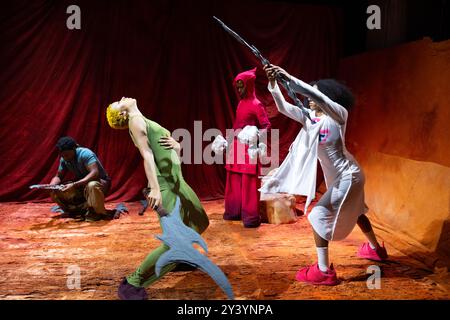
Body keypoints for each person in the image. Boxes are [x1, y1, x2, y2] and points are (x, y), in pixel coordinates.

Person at [261, 65, 388, 286]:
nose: (310, 96)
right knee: (357, 212)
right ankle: (377, 250)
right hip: (342, 178)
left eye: (316, 92)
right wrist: (274, 82)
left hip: (349, 176)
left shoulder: (338, 114)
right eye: (311, 91)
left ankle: (323, 271)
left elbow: (314, 95)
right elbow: (283, 107)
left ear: (326, 97)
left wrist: (288, 77)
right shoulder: (310, 118)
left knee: (317, 216)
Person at [106, 97, 209, 300]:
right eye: (118, 103)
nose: (122, 99)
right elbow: (147, 155)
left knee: (200, 221)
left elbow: (161, 149)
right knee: (176, 239)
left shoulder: (141, 118)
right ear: (122, 114)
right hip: (166, 185)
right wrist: (154, 188)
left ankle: (179, 259)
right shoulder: (135, 121)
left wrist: (176, 146)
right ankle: (132, 283)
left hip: (177, 181)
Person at [221, 67, 271, 228]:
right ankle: (233, 211)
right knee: (233, 181)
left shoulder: (257, 104)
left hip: (249, 148)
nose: (239, 89)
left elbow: (266, 125)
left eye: (242, 86)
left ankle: (250, 217)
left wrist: (255, 135)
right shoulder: (241, 103)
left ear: (249, 85)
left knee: (248, 183)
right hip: (236, 146)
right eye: (238, 86)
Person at [49, 136, 112, 221]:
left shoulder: (85, 153)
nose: (65, 157)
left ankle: (96, 212)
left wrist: (74, 184)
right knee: (56, 189)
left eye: (67, 155)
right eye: (62, 155)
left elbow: (95, 173)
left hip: (100, 183)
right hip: (82, 185)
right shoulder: (64, 159)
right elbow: (59, 176)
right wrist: (51, 185)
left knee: (92, 185)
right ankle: (74, 211)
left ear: (75, 148)